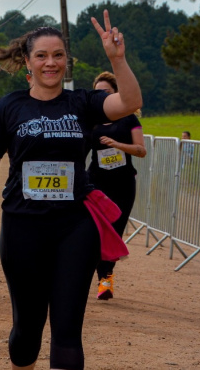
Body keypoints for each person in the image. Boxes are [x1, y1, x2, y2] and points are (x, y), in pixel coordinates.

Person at [0, 12, 142, 370]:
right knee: (27, 330)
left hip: (75, 227)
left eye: (58, 55)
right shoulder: (9, 107)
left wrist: (117, 59)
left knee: (68, 329)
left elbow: (129, 102)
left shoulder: (82, 103)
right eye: (41, 55)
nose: (50, 62)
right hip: (23, 226)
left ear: (66, 61)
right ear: (27, 61)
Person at [87, 71, 146, 301]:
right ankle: (94, 276)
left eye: (107, 92)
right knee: (93, 231)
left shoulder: (129, 119)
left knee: (114, 232)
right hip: (95, 184)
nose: (102, 95)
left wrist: (117, 145)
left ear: (116, 94)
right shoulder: (89, 121)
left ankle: (105, 278)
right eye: (98, 92)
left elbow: (141, 151)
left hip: (123, 184)